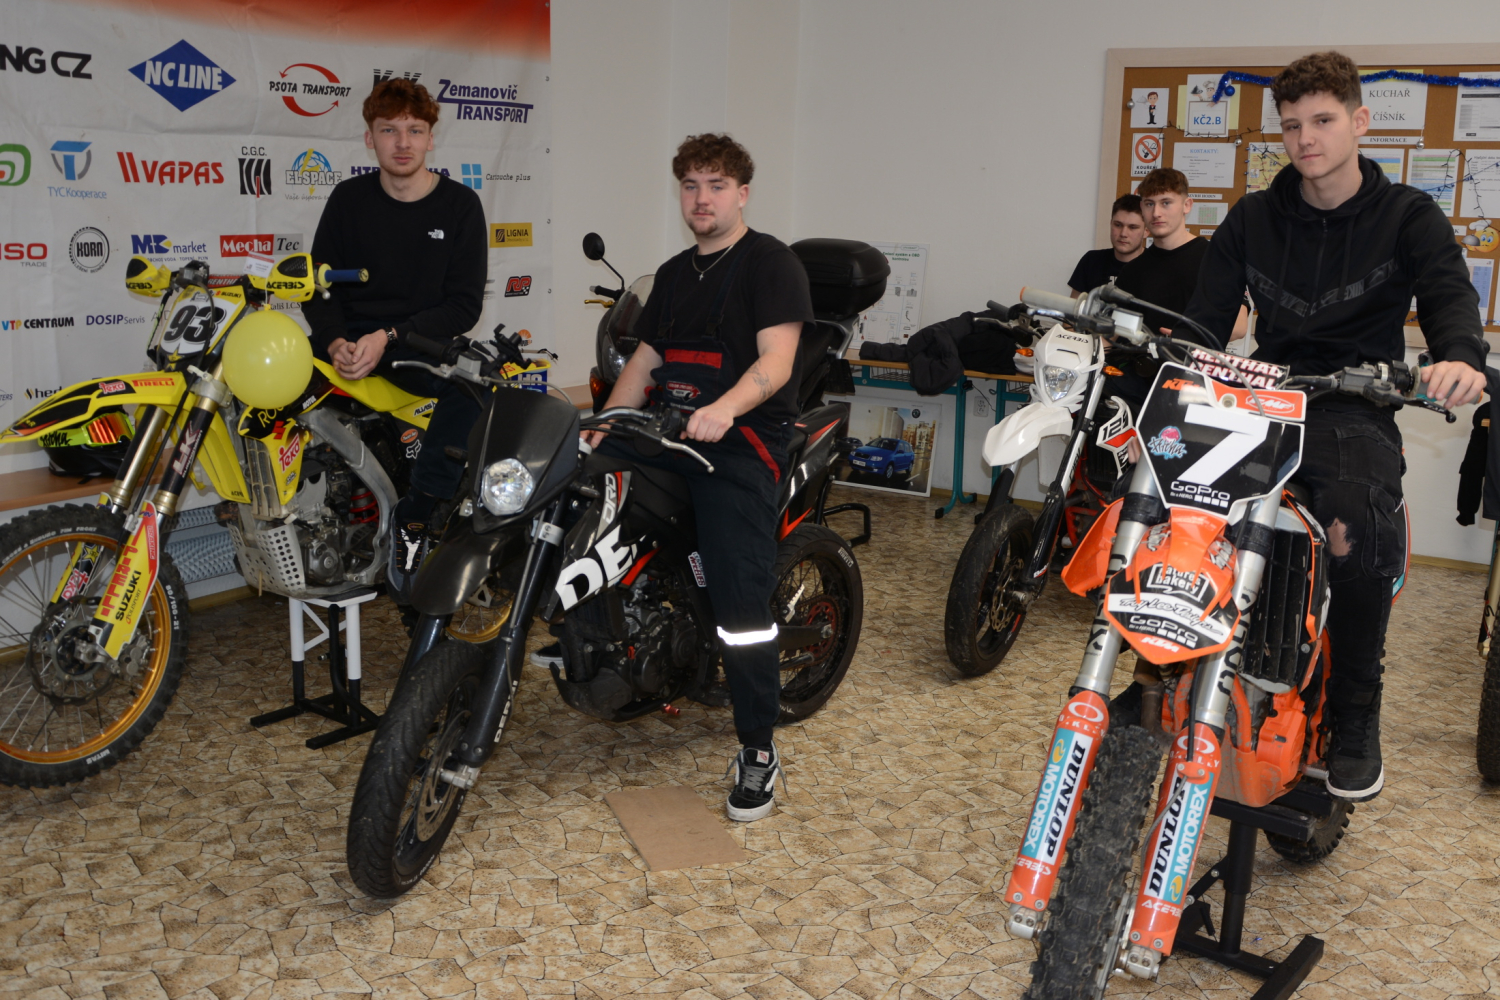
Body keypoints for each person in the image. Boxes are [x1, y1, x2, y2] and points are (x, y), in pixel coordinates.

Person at [1183, 51, 1488, 801]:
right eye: (1291, 126)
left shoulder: (1408, 216)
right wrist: (1181, 354)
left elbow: (1448, 295)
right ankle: (1162, 672)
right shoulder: (1253, 217)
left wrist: (1460, 356)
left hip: (1355, 403)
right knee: (1172, 503)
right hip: (1265, 397)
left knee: (1355, 524)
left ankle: (1356, 708)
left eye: (1322, 120)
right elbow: (1204, 321)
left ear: (1360, 122)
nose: (1305, 138)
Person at [557, 133, 812, 822]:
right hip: (665, 430)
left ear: (742, 194)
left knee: (739, 600)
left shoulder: (771, 264)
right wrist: (603, 424)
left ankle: (757, 747)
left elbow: (777, 360)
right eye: (691, 186)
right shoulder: (672, 274)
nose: (702, 199)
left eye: (716, 186)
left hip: (741, 441)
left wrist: (726, 409)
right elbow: (645, 363)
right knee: (570, 496)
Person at [301, 78, 487, 603]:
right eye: (389, 130)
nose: (402, 143)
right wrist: (334, 341)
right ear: (370, 139)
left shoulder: (460, 206)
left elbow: (464, 306)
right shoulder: (348, 200)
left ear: (431, 138)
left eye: (414, 130)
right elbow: (317, 286)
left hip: (416, 344)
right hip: (346, 347)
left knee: (472, 392)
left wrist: (388, 336)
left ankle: (418, 514)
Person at [1067, 193, 1146, 297]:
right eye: (1118, 225)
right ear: (1111, 223)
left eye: (1132, 227)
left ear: (1146, 231)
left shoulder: (1157, 267)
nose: (1123, 234)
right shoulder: (1091, 260)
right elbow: (1076, 305)